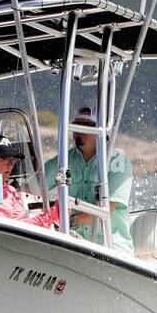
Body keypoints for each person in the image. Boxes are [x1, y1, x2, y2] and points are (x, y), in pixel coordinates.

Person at [44, 105, 133, 251]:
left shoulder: (118, 162)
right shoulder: (63, 160)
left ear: (100, 131)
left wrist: (69, 221)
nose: (80, 131)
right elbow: (34, 188)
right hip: (72, 241)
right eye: (77, 126)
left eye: (87, 126)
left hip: (111, 246)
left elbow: (108, 207)